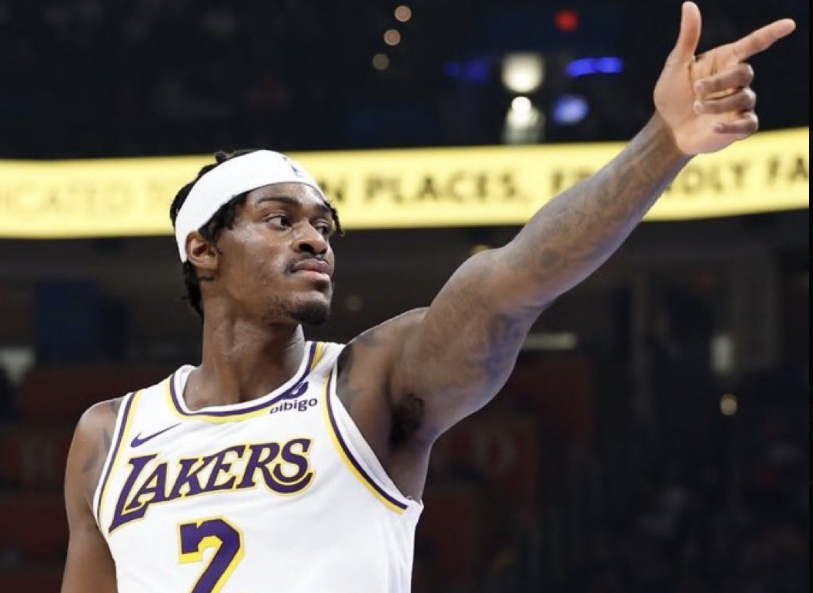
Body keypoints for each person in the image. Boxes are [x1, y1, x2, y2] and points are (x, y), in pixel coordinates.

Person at [60, 4, 795, 592]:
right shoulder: (108, 434)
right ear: (203, 249)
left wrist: (665, 140)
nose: (314, 240)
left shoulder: (368, 383)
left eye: (323, 226)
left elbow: (513, 280)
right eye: (280, 220)